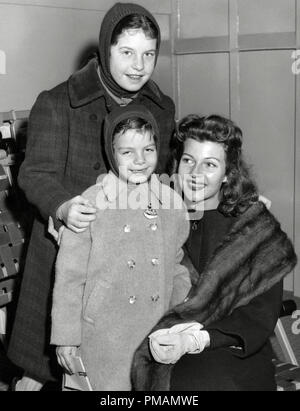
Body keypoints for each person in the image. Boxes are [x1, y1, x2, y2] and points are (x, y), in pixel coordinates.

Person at [8, 2, 176, 391]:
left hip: (126, 263)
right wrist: (64, 206)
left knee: (115, 371)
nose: (139, 65)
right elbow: (34, 174)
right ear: (105, 49)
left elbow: (159, 175)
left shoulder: (160, 108)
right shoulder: (57, 102)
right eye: (127, 52)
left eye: (148, 54)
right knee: (39, 370)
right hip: (63, 253)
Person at [131, 114, 297, 391]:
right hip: (159, 343)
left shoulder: (256, 228)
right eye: (188, 160)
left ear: (228, 174)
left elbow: (259, 316)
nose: (195, 173)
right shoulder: (157, 216)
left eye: (210, 164)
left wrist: (197, 339)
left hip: (229, 351)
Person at [50, 104, 191, 391]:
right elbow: (69, 277)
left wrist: (183, 318)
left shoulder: (171, 202)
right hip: (103, 331)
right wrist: (66, 336)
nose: (140, 160)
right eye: (128, 152)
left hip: (154, 328)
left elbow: (176, 264)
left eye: (148, 150)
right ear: (111, 153)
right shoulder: (91, 203)